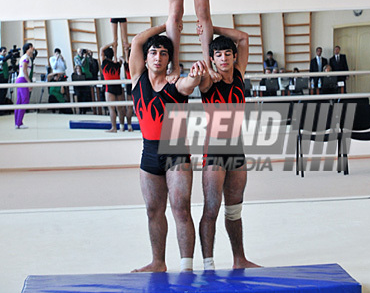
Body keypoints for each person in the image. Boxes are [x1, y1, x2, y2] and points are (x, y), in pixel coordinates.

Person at [129, 22, 204, 272]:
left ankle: (187, 267)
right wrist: (166, 25)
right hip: (149, 152)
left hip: (176, 151)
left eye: (164, 53)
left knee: (180, 208)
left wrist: (195, 73)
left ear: (169, 59)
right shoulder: (137, 80)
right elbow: (137, 41)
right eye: (153, 53)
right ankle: (158, 262)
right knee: (153, 210)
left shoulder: (176, 85)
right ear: (146, 58)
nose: (158, 57)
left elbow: (191, 82)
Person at [198, 24, 259, 270]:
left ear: (234, 57)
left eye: (228, 54)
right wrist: (206, 62)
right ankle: (208, 264)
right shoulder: (207, 80)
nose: (224, 58)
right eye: (219, 55)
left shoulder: (240, 74)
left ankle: (239, 259)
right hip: (214, 150)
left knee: (234, 210)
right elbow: (198, 76)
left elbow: (243, 38)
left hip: (237, 148)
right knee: (212, 208)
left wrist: (212, 28)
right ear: (212, 58)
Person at [99, 42, 123, 132]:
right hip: (118, 86)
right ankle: (122, 127)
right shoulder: (117, 65)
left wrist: (112, 43)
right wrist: (118, 57)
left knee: (111, 108)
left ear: (105, 55)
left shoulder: (104, 63)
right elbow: (121, 61)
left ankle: (114, 128)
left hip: (109, 87)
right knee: (120, 108)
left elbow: (101, 49)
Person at [14, 43, 34, 129]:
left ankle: (17, 122)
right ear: (28, 49)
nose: (33, 49)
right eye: (31, 47)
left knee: (19, 101)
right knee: (25, 100)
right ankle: (19, 123)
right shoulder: (26, 57)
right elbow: (24, 70)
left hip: (20, 79)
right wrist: (29, 82)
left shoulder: (25, 57)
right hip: (23, 79)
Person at [0, 46, 13, 111]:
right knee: (0, 93)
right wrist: (9, 56)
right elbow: (1, 63)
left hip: (5, 77)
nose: (5, 53)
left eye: (5, 52)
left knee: (4, 93)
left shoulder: (4, 60)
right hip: (0, 78)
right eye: (3, 51)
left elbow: (5, 68)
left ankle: (2, 109)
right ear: (0, 52)